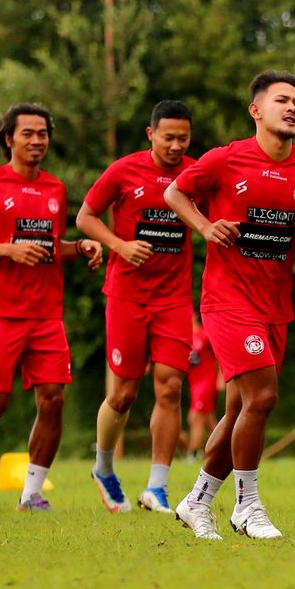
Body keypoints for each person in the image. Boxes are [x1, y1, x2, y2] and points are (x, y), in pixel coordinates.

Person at [165, 70, 295, 541]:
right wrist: (204, 225)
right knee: (263, 396)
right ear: (256, 110)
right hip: (227, 300)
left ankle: (196, 501)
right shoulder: (226, 159)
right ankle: (247, 505)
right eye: (282, 100)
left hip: (275, 305)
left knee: (240, 408)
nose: (293, 107)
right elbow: (174, 191)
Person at [0, 103, 102, 512]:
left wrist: (79, 247)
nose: (36, 140)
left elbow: (46, 249)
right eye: (27, 133)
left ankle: (32, 494)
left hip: (46, 314)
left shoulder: (54, 189)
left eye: (42, 133)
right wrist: (8, 251)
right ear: (9, 138)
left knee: (53, 400)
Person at [75, 100, 196, 514]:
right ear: (151, 135)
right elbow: (86, 216)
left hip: (175, 297)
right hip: (126, 295)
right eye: (168, 138)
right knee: (124, 393)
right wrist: (119, 245)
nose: (176, 146)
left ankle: (156, 488)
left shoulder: (195, 175)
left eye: (183, 138)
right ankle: (104, 468)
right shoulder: (124, 171)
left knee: (170, 386)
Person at [185, 310, 223, 458]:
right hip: (194, 382)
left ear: (194, 315)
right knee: (208, 419)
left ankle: (192, 453)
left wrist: (221, 377)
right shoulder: (185, 338)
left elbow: (219, 355)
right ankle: (224, 447)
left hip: (207, 380)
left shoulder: (204, 335)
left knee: (195, 417)